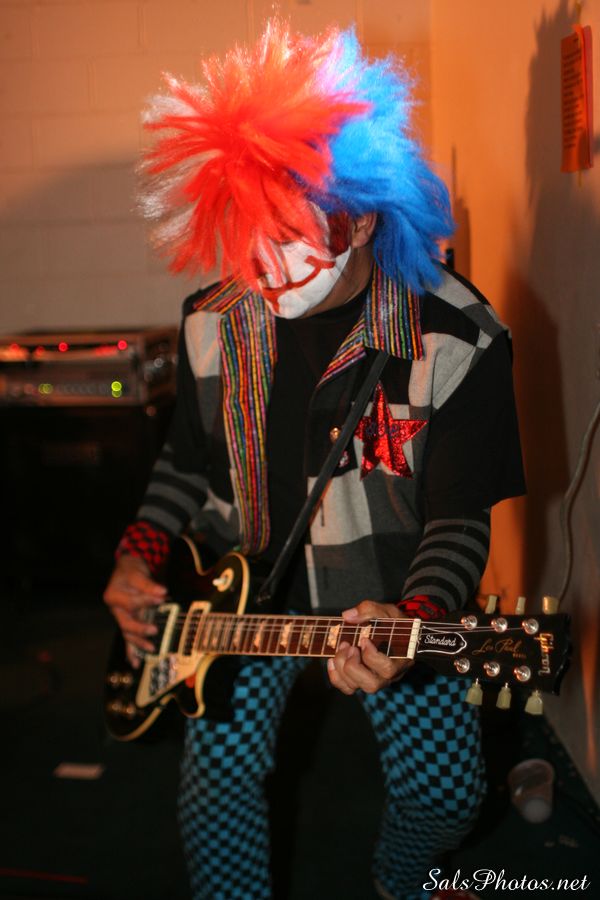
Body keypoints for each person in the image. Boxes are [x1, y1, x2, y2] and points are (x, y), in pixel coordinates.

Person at [104, 22, 525, 900]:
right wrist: (139, 555)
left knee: (447, 797)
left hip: (385, 596)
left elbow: (458, 519)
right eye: (244, 233)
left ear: (362, 216)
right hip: (233, 595)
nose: (262, 268)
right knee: (216, 792)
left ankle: (401, 881)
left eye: (288, 232)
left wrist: (413, 620)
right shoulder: (213, 319)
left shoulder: (460, 338)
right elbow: (186, 461)